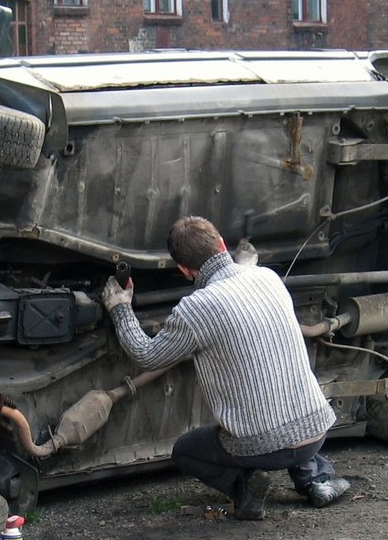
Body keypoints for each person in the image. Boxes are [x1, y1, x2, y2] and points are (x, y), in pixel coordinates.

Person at [101, 216, 351, 521]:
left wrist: (120, 309)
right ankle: (318, 481)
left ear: (184, 270)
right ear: (221, 245)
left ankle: (247, 490)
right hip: (318, 429)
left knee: (186, 450)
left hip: (265, 447)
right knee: (285, 412)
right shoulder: (267, 277)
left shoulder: (196, 309)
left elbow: (147, 355)